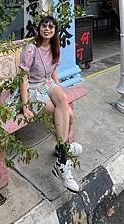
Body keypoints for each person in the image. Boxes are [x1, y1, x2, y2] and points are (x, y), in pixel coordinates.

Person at [19, 15, 82, 192]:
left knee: (65, 105)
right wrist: (24, 106)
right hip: (32, 89)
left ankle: (61, 157)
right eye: (44, 26)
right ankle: (64, 154)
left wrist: (59, 91)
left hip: (47, 84)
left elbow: (54, 71)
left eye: (51, 27)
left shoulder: (55, 47)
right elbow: (23, 78)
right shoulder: (31, 49)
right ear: (39, 28)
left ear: (55, 31)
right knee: (64, 113)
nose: (47, 29)